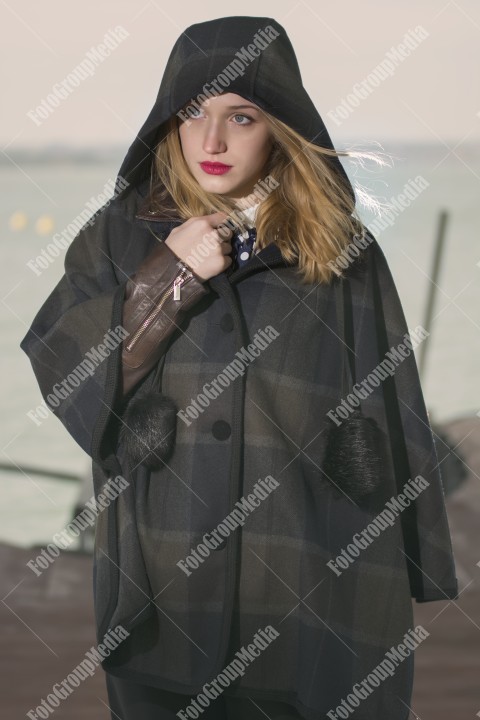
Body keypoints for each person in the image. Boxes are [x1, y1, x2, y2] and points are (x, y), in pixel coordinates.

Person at [21, 15, 458, 720]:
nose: (212, 141)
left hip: (309, 589)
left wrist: (419, 563)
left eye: (241, 116)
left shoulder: (342, 249)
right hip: (164, 590)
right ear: (169, 119)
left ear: (278, 125)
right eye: (193, 113)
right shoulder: (119, 233)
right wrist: (169, 275)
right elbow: (63, 366)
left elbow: (392, 405)